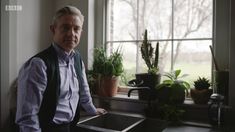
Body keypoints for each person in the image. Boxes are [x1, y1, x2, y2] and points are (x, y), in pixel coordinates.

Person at [15, 6, 106, 132]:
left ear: (81, 32)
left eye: (76, 29)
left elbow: (83, 90)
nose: (71, 34)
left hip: (69, 127)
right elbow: (27, 117)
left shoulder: (77, 59)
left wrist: (92, 109)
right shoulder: (38, 65)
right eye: (65, 27)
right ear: (53, 29)